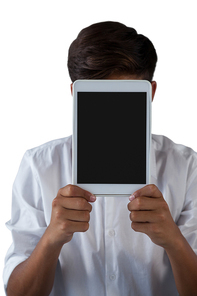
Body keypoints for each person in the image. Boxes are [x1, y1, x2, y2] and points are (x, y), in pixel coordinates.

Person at [3, 21, 197, 296]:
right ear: (75, 95)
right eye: (98, 100)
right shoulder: (39, 166)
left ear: (150, 94)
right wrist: (51, 239)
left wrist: (174, 241)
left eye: (126, 99)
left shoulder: (186, 166)